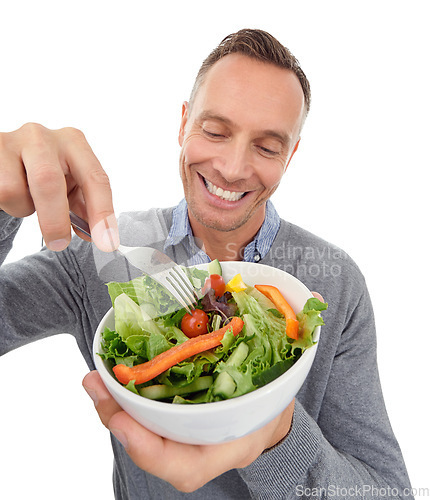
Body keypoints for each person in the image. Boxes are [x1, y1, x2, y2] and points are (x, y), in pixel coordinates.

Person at [0, 29, 413, 499]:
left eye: (267, 147)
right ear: (183, 124)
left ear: (291, 155)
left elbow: (386, 491)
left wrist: (274, 436)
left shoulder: (334, 283)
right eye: (215, 131)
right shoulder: (100, 252)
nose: (234, 168)